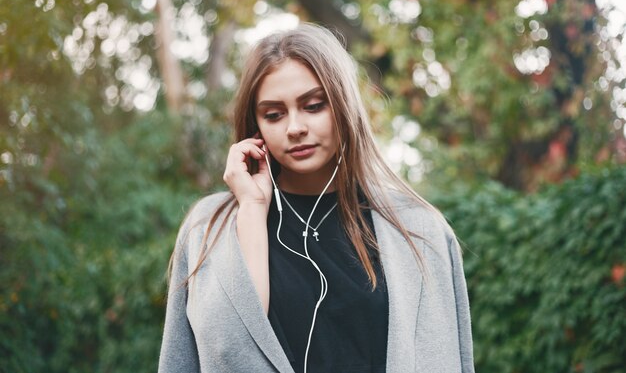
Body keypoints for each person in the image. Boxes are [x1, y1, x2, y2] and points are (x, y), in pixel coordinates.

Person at [158, 23, 474, 373]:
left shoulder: (418, 229)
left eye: (313, 105)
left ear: (342, 106)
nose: (294, 127)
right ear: (256, 125)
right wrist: (251, 210)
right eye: (274, 114)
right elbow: (224, 352)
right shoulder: (210, 227)